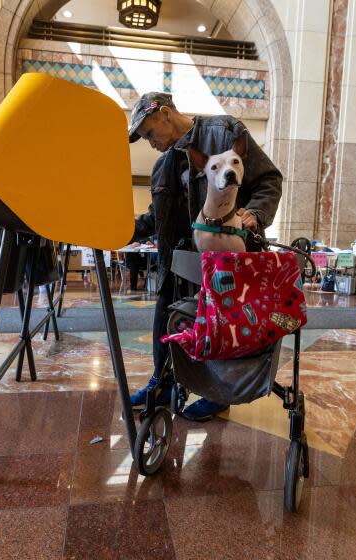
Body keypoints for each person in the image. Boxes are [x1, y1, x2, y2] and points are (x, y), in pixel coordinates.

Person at [128, 92, 283, 421]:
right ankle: (163, 382)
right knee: (167, 321)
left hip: (228, 257)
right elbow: (155, 219)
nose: (151, 143)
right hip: (181, 260)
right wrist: (119, 232)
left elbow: (269, 179)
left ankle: (219, 391)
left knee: (223, 324)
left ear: (166, 114)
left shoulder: (224, 134)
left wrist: (255, 212)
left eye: (150, 134)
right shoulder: (162, 166)